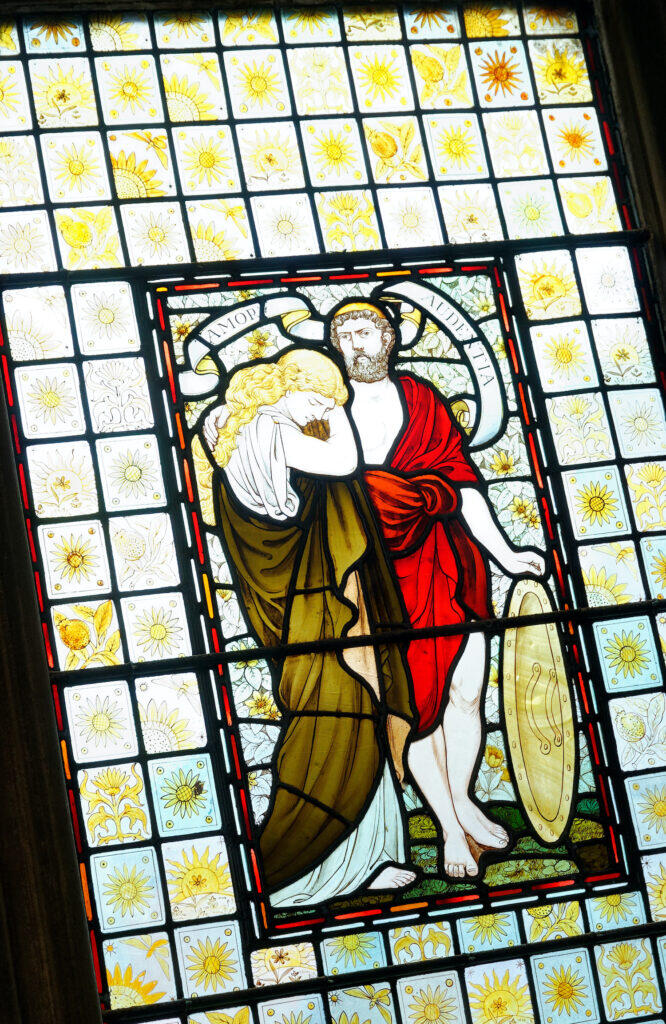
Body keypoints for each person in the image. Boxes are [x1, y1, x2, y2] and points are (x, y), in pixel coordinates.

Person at [329, 301, 546, 879]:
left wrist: (505, 554)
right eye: (344, 336)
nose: (356, 344)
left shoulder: (422, 398)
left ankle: (465, 799)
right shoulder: (325, 407)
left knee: (467, 692)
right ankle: (449, 824)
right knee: (417, 703)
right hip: (380, 575)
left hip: (451, 557)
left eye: (365, 332)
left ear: (389, 338)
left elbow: (462, 482)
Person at [203, 349, 417, 906]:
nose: (325, 410)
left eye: (331, 402)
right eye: (319, 398)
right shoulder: (267, 432)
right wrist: (337, 412)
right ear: (283, 388)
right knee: (337, 712)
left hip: (309, 604)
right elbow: (344, 461)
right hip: (312, 609)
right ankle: (302, 867)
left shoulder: (253, 430)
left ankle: (369, 855)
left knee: (359, 708)